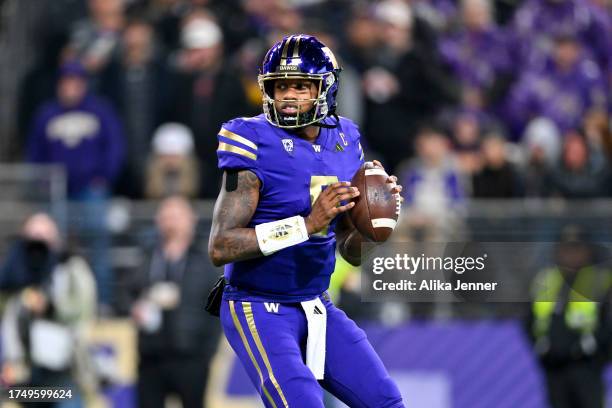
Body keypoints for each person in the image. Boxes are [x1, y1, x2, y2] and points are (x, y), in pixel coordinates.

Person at [208, 34, 405, 408]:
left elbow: (352, 252)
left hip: (316, 303)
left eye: (300, 86)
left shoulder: (345, 138)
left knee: (387, 403)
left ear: (324, 89)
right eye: (280, 86)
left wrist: (377, 220)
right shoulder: (251, 138)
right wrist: (306, 224)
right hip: (259, 305)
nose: (288, 97)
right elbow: (220, 247)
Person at [130, 196, 220, 408]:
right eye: (166, 216)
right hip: (151, 356)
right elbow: (128, 293)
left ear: (192, 220)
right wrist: (136, 307)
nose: (171, 222)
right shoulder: (147, 257)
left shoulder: (205, 261)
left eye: (177, 216)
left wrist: (206, 353)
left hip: (191, 356)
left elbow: (216, 311)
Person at [1, 213, 98, 407]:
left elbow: (84, 309)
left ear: (55, 238)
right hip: (28, 370)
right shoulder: (13, 271)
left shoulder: (72, 267)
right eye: (33, 236)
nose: (39, 243)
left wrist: (51, 307)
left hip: (65, 368)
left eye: (44, 235)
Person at [527, 225, 612, 408]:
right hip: (555, 365)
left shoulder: (600, 279)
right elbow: (529, 317)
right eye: (566, 249)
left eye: (576, 249)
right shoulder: (546, 279)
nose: (570, 255)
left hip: (587, 366)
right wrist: (541, 346)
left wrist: (592, 347)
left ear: (588, 251)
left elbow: (608, 323)